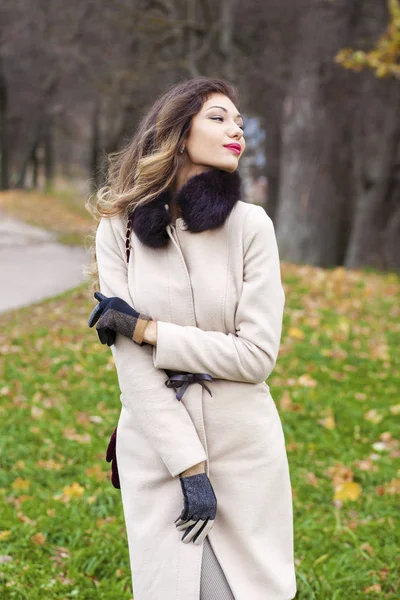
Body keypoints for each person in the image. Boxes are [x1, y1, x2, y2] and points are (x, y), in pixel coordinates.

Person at [85, 76, 297, 600]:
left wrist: (148, 329)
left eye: (240, 123)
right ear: (180, 134)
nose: (237, 132)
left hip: (244, 449)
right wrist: (188, 466)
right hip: (156, 449)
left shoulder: (252, 226)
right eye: (219, 118)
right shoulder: (120, 230)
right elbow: (132, 368)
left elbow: (255, 356)